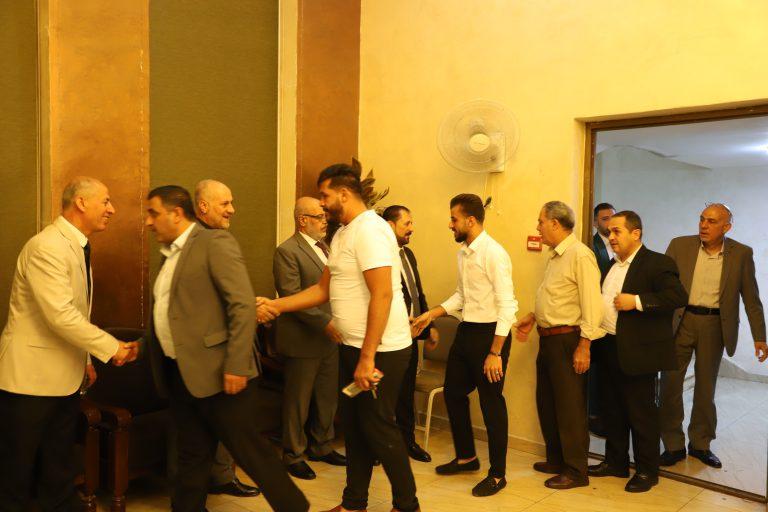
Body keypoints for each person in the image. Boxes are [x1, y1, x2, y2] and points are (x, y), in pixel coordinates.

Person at [258, 163, 420, 512]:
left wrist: (367, 358)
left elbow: (382, 294)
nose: (322, 202)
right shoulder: (344, 233)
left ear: (344, 194)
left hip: (380, 352)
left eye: (325, 195)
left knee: (380, 428)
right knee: (356, 428)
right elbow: (321, 290)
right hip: (350, 347)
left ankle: (408, 505)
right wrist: (276, 305)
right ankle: (354, 503)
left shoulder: (370, 231)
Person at [142, 185, 307, 512]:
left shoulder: (214, 243)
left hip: (221, 374)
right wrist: (142, 345)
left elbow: (241, 307)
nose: (148, 221)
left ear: (176, 214)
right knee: (191, 456)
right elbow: (173, 314)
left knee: (251, 452)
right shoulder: (169, 254)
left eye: (153, 213)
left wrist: (235, 365)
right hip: (182, 374)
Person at [0, 176, 138, 510]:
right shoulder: (47, 246)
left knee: (57, 464)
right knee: (16, 472)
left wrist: (85, 360)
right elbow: (59, 315)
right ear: (81, 202)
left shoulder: (76, 245)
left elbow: (76, 311)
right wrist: (112, 348)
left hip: (64, 377)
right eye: (105, 201)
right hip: (30, 380)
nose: (111, 209)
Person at [411, 194, 518, 497]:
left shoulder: (494, 253)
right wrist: (431, 314)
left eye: (454, 219)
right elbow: (461, 295)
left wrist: (495, 352)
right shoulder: (463, 253)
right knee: (454, 393)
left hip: (490, 336)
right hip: (467, 330)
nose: (450, 224)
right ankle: (467, 457)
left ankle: (497, 474)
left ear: (470, 221)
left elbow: (508, 305)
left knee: (491, 402)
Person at [660, 203, 767, 469]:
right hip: (681, 321)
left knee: (705, 388)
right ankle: (672, 445)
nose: (704, 225)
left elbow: (751, 299)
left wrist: (760, 337)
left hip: (715, 325)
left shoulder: (741, 253)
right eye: (702, 219)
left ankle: (700, 444)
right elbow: (662, 286)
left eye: (711, 221)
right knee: (670, 385)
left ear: (726, 227)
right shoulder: (679, 245)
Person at [588, 211, 687, 493]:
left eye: (617, 231)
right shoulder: (612, 264)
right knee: (612, 410)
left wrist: (637, 301)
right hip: (608, 345)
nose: (611, 236)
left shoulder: (657, 263)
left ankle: (647, 471)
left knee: (641, 415)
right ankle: (615, 463)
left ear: (636, 233)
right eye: (609, 231)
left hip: (638, 352)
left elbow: (677, 297)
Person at [515, 201, 604, 489]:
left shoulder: (580, 255)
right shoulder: (554, 256)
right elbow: (556, 297)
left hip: (568, 340)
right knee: (548, 403)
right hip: (548, 339)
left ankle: (576, 471)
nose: (537, 227)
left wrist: (584, 345)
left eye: (540, 221)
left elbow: (592, 304)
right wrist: (534, 316)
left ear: (555, 223)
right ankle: (556, 460)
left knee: (570, 408)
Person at [191, 179, 260, 498]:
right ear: (203, 206)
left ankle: (221, 476)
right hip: (212, 354)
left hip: (226, 348)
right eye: (225, 203)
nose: (232, 209)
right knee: (202, 432)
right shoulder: (199, 241)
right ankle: (200, 490)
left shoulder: (216, 238)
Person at [274, 197, 346, 480]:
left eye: (325, 215)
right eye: (319, 216)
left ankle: (322, 445)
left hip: (330, 338)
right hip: (303, 339)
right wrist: (325, 322)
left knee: (327, 398)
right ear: (302, 220)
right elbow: (291, 295)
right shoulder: (287, 251)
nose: (325, 221)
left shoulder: (327, 247)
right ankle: (293, 454)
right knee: (298, 402)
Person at [383, 204, 438, 463]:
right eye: (407, 223)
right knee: (385, 395)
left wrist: (429, 325)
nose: (412, 228)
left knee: (405, 392)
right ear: (390, 225)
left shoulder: (408, 254)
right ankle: (379, 446)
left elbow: (417, 292)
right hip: (388, 337)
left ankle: (408, 442)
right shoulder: (380, 256)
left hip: (411, 336)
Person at [588, 202, 616, 437]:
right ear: (595, 222)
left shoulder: (621, 244)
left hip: (617, 316)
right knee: (596, 369)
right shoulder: (590, 246)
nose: (610, 223)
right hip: (596, 314)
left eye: (612, 218)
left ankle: (610, 413)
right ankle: (595, 415)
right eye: (605, 219)